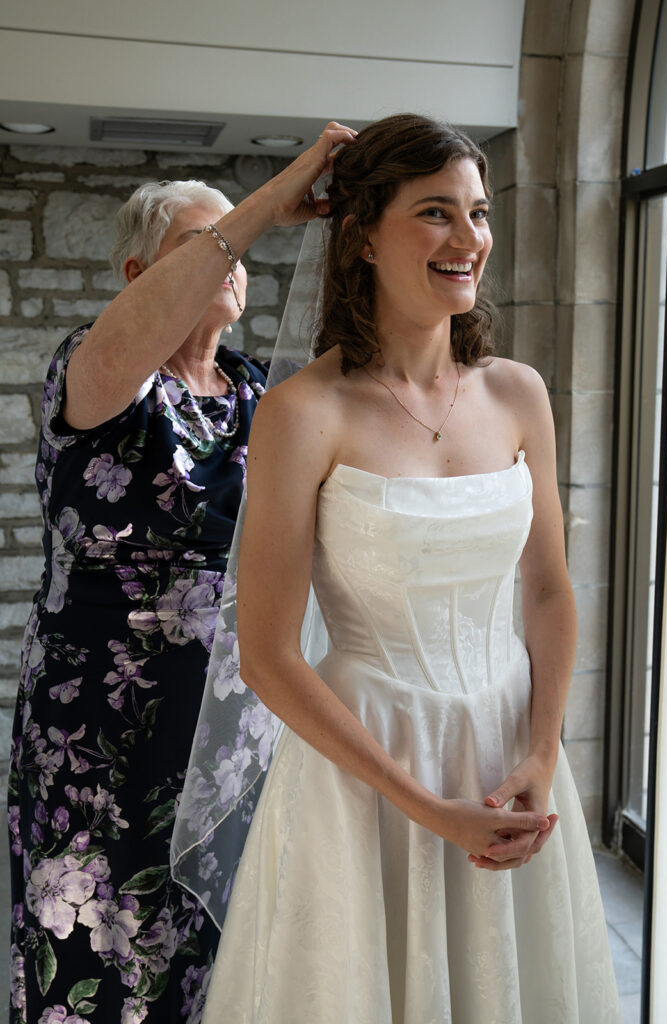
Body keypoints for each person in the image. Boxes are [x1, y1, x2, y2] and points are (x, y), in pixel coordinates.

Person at [189, 114, 622, 1023]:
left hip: (507, 749)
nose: (469, 238)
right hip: (366, 767)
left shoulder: (518, 392)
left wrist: (542, 751)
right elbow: (267, 655)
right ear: (361, 237)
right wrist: (426, 808)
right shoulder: (304, 411)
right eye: (435, 212)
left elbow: (547, 589)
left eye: (478, 212)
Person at [7, 122, 357, 1024]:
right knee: (94, 951)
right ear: (139, 275)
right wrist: (270, 203)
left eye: (236, 244)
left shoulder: (263, 393)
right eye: (208, 242)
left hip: (236, 726)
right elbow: (124, 354)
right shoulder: (94, 371)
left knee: (222, 951)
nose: (232, 258)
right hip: (98, 730)